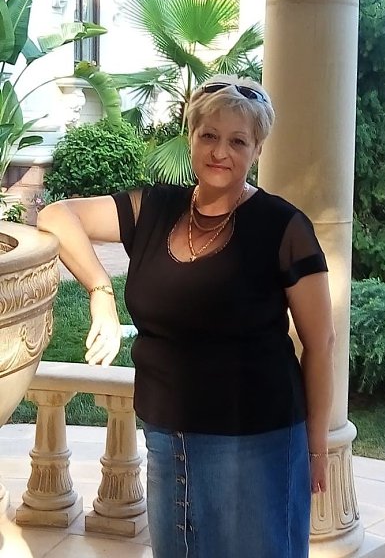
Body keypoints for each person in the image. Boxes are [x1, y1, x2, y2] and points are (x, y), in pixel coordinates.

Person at [37, 73, 335, 558]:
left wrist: (316, 447)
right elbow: (56, 215)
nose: (220, 151)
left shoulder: (283, 227)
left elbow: (320, 344)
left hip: (253, 441)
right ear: (191, 136)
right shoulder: (154, 208)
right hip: (166, 435)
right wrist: (100, 292)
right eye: (209, 135)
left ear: (257, 149)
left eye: (238, 141)